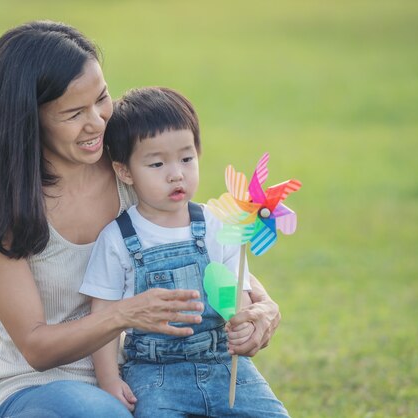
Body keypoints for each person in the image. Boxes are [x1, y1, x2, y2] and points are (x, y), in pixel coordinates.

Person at [0, 20, 282, 418]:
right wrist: (124, 314)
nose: (97, 121)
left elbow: (212, 244)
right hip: (39, 387)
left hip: (141, 374)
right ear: (30, 119)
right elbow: (36, 348)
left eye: (101, 98)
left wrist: (262, 307)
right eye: (74, 113)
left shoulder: (133, 171)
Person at [80, 86, 289, 417]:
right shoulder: (117, 238)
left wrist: (243, 321)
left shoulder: (219, 224)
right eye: (157, 163)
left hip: (222, 363)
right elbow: (104, 317)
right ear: (124, 172)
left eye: (186, 158)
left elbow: (239, 291)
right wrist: (109, 380)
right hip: (154, 374)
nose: (176, 173)